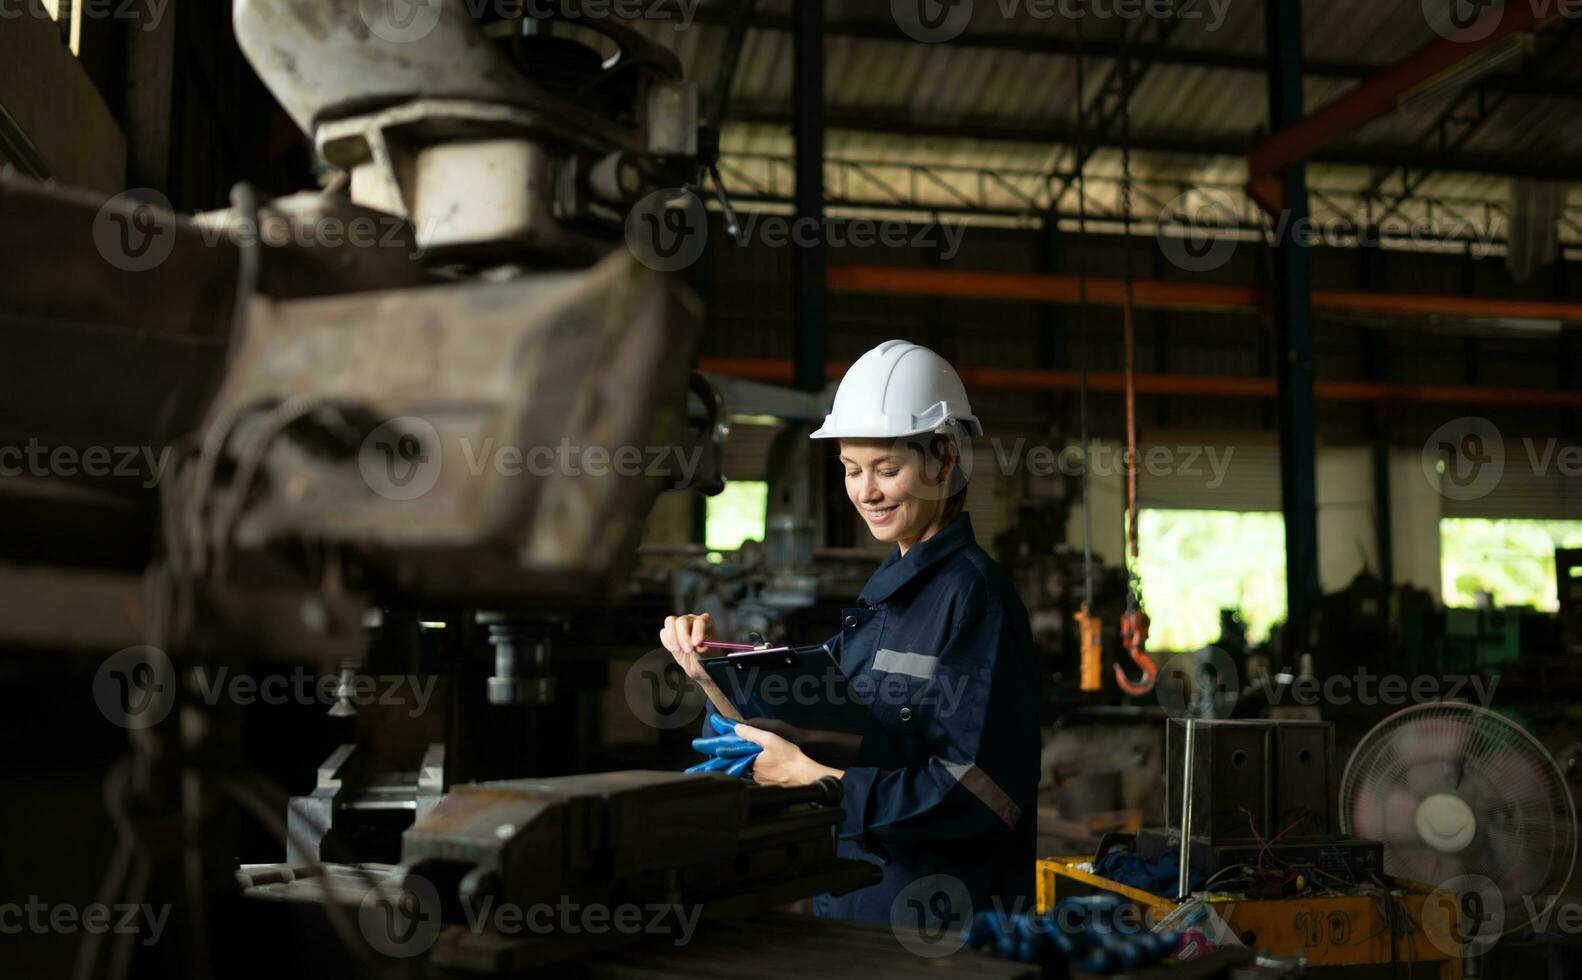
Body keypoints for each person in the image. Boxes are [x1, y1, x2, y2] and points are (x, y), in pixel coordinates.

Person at [658, 339, 1040, 926]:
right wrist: (713, 677)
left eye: (888, 469)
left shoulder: (974, 600)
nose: (866, 492)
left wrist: (822, 783)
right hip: (856, 903)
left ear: (943, 459)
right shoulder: (885, 592)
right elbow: (827, 721)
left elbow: (983, 796)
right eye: (851, 469)